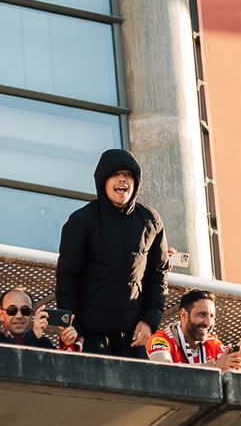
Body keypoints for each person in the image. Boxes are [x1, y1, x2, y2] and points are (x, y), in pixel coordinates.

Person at [55, 149, 167, 359]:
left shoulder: (150, 221)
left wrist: (149, 321)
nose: (122, 179)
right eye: (115, 174)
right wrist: (73, 326)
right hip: (90, 334)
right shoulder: (81, 221)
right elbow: (67, 280)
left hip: (133, 334)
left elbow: (158, 275)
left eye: (128, 175)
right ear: (103, 181)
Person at [145, 289, 239, 368]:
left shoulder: (213, 344)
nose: (208, 323)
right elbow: (164, 371)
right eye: (202, 315)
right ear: (183, 314)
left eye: (212, 316)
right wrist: (215, 366)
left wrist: (233, 364)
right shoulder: (160, 340)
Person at [0, 287, 79, 349]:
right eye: (12, 310)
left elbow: (61, 370)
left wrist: (67, 344)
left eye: (25, 311)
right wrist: (33, 336)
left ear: (31, 315)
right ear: (1, 314)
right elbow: (3, 356)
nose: (19, 316)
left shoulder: (43, 344)